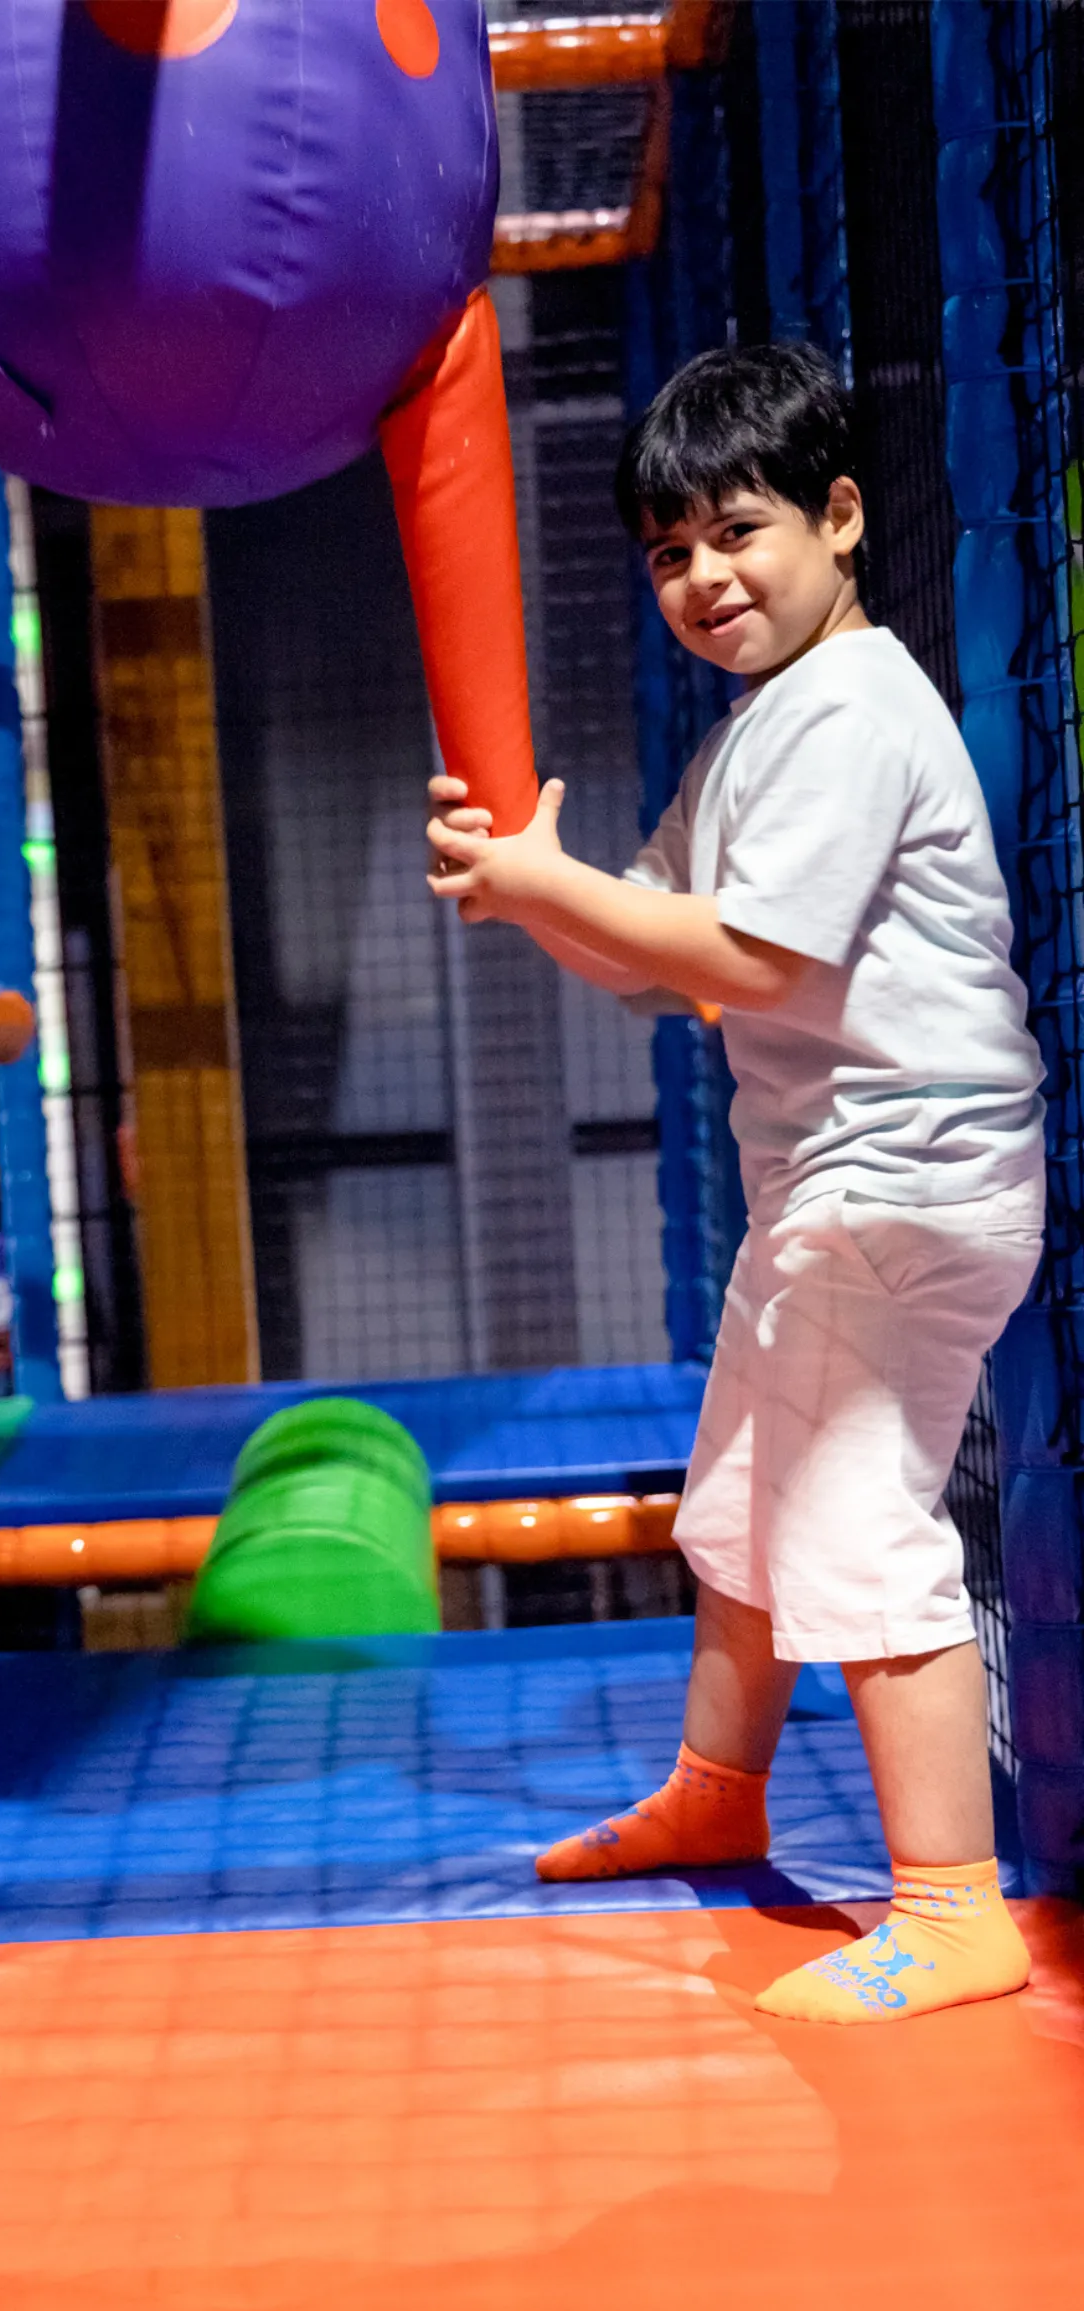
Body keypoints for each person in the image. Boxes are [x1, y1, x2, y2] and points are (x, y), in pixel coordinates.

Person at [427, 342, 1046, 2024]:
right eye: (669, 553)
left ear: (841, 521)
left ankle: (955, 1904)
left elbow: (753, 960)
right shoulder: (769, 726)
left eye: (740, 533)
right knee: (745, 1500)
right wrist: (530, 888)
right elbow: (656, 957)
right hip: (835, 1186)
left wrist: (551, 883)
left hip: (906, 1182)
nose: (704, 577)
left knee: (851, 1520)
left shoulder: (851, 711)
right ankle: (721, 1788)